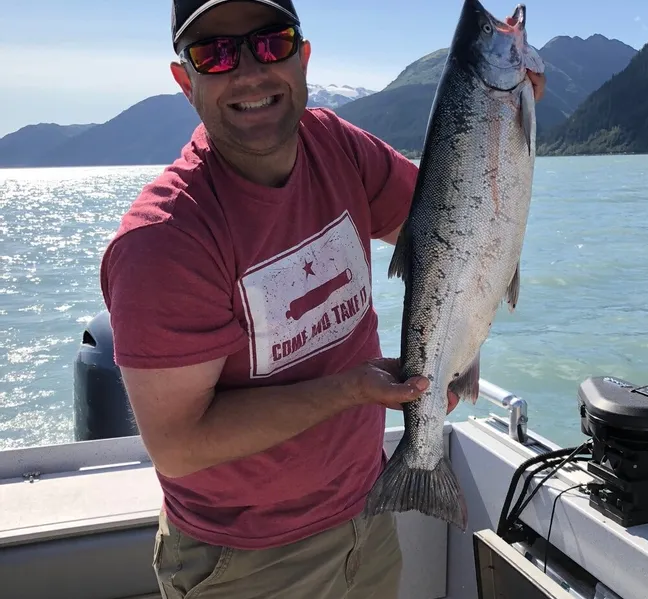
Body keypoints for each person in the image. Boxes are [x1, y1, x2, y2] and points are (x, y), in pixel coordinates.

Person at [100, 1, 547, 597]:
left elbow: (452, 224)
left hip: (366, 510)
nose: (250, 72)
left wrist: (502, 131)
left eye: (271, 43)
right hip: (247, 561)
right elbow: (180, 446)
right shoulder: (164, 240)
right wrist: (351, 389)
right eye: (215, 53)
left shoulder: (335, 146)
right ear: (186, 81)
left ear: (302, 56)